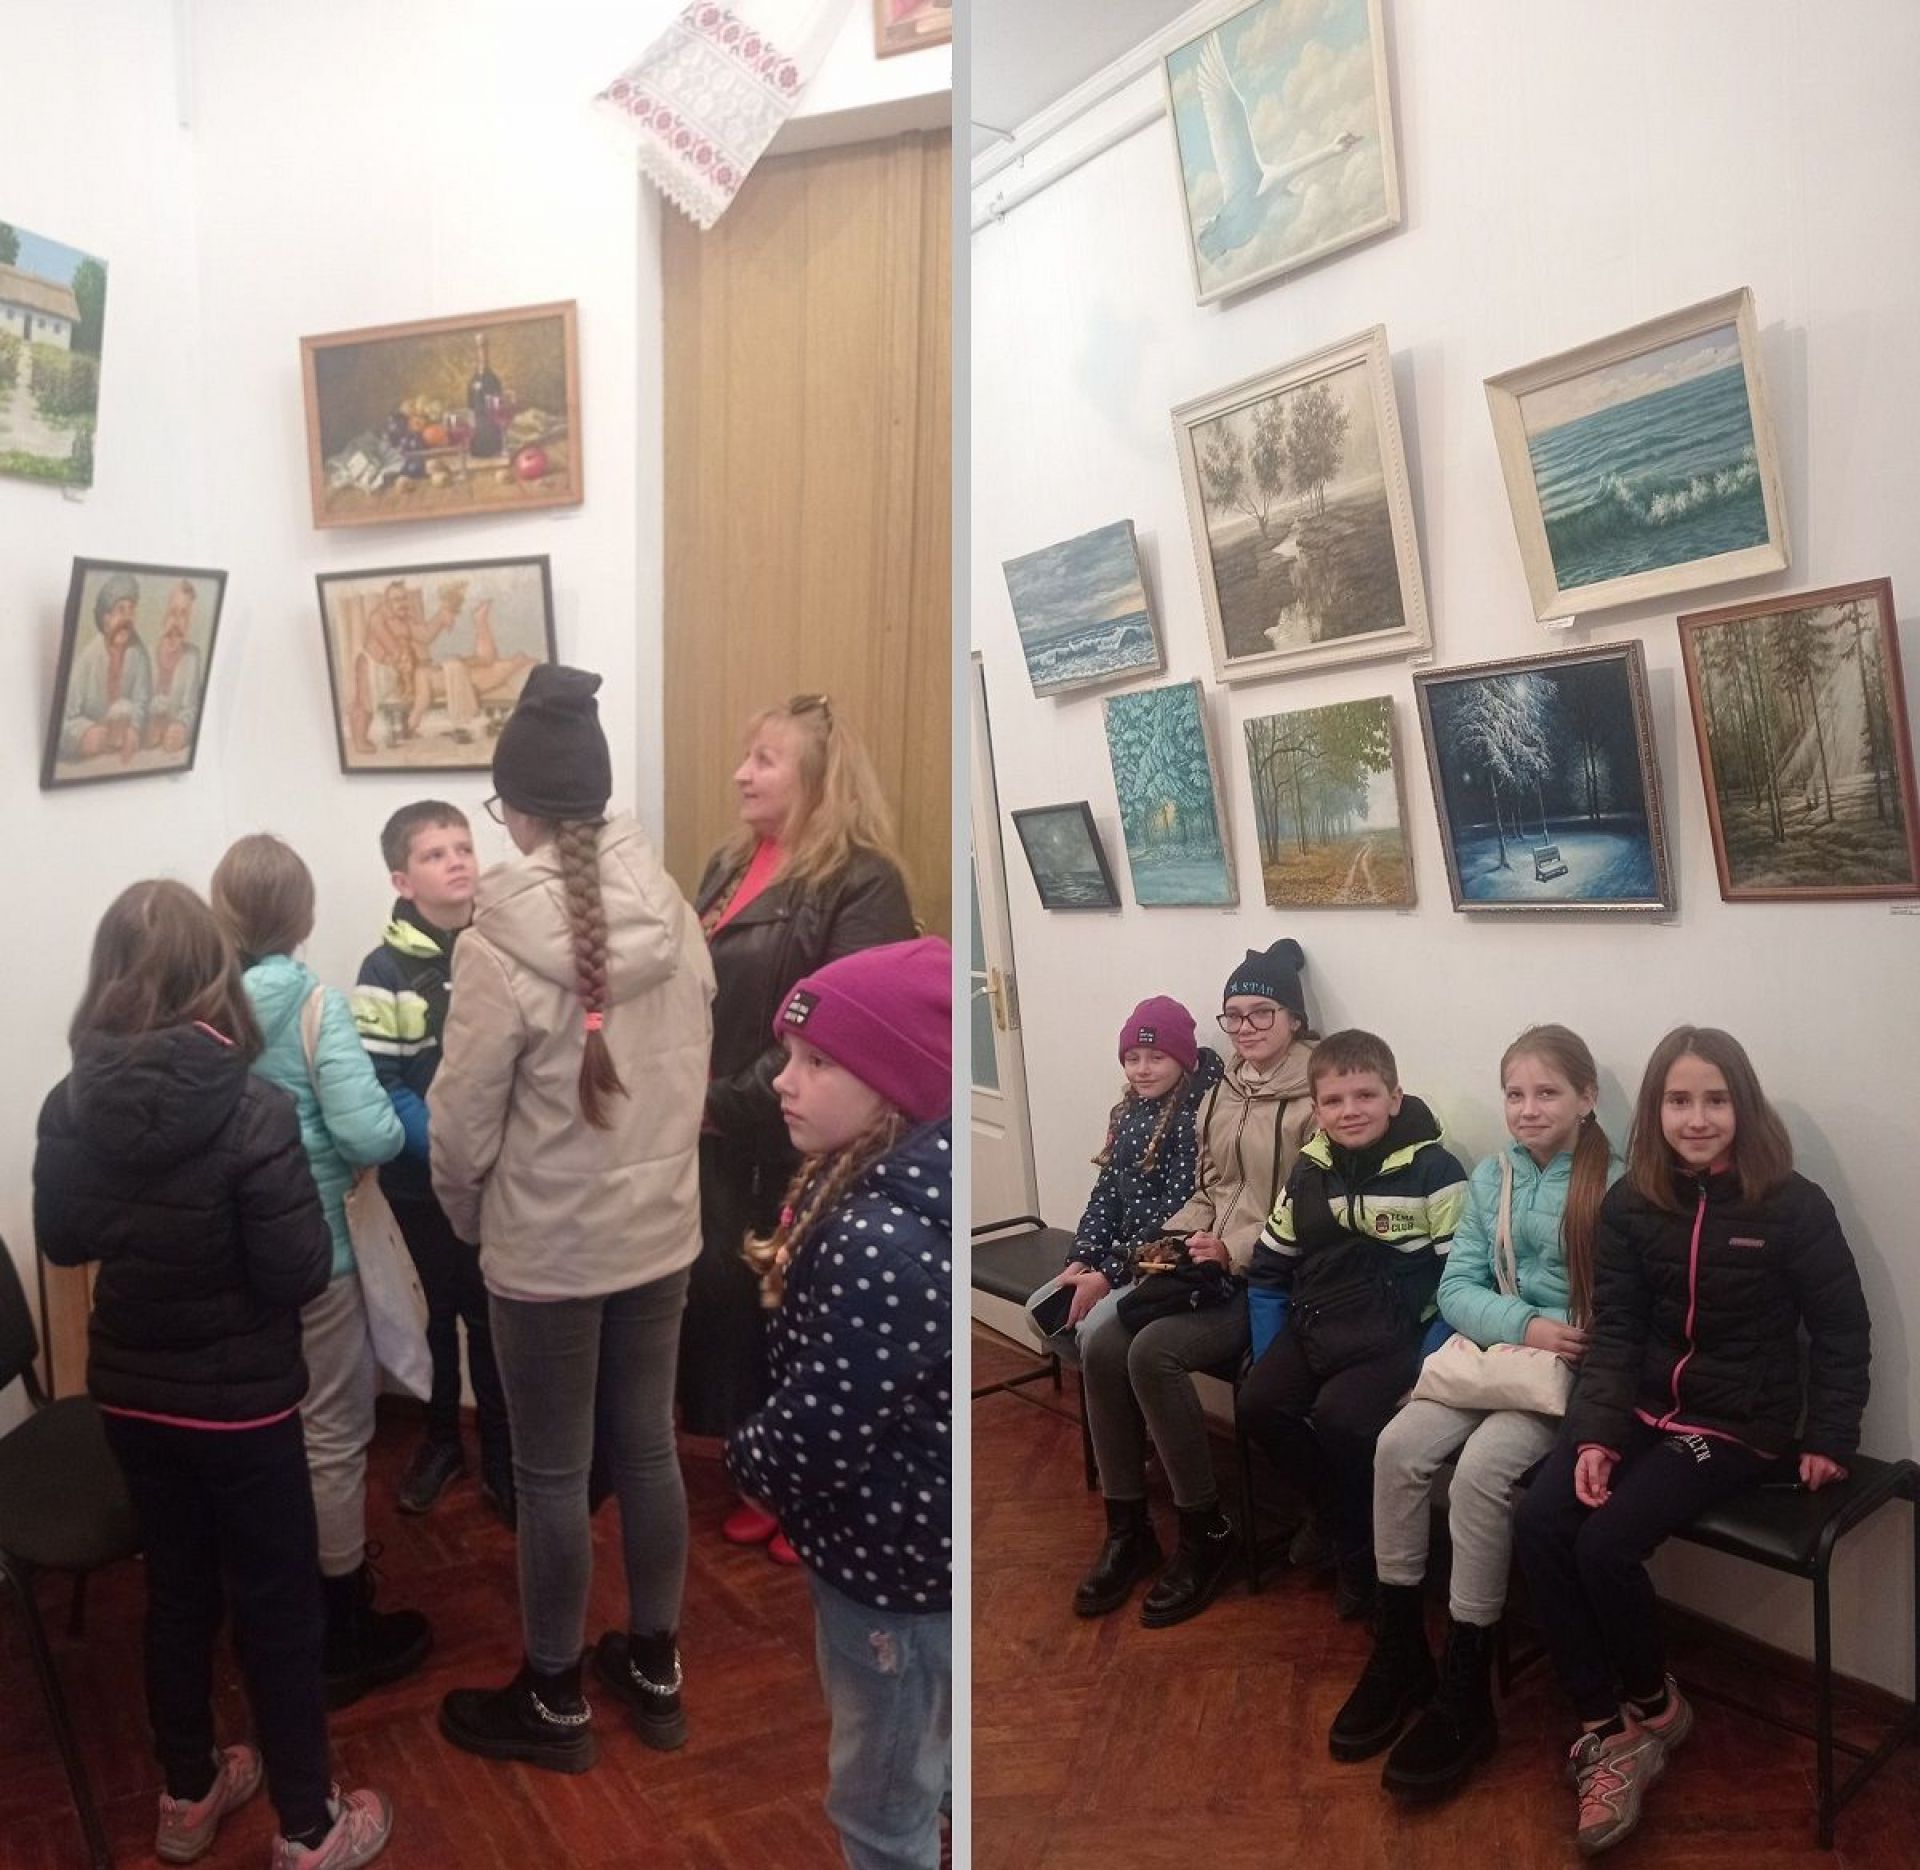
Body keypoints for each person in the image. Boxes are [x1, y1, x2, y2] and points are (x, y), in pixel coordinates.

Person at [33, 880, 393, 1870]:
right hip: (243, 1410)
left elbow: (63, 1238)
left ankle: (187, 1791)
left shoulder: (69, 1101)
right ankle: (310, 1827)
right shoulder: (251, 1106)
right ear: (214, 974)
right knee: (277, 1605)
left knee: (178, 1590)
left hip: (132, 1397)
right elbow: (296, 1271)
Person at [431, 664, 715, 1771]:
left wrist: (475, 1224)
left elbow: (461, 1135)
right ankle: (657, 1666)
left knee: (551, 1475)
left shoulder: (494, 946)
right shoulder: (674, 910)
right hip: (660, 1235)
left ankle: (553, 1700)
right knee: (647, 1447)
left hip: (548, 1251)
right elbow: (694, 1067)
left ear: (518, 810)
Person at [1513, 1027, 1870, 1856]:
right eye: (1679, 1100)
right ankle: (1609, 1729)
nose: (1697, 1118)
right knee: (1539, 1520)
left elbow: (1841, 1328)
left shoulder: (1794, 1205)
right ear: (1656, 1110)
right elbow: (1615, 1333)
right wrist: (1596, 1437)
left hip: (1738, 1424)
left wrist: (1831, 1434)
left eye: (1715, 1099)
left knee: (1604, 1546)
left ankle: (1656, 1704)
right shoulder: (1632, 1203)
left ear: (1743, 1106)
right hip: (1639, 1408)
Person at [1329, 1024, 1620, 1798]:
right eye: (1515, 1094)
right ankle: (1401, 1649)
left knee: (1482, 1473)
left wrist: (1557, 1337)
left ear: (1586, 1098)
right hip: (1493, 1357)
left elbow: (1622, 1311)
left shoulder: (1614, 1186)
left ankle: (1466, 1684)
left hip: (1561, 1379)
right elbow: (1456, 1287)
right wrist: (1524, 1323)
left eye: (1547, 1092)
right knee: (1397, 1448)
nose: (1528, 1109)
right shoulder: (1493, 1176)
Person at [728, 937, 953, 1870]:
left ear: (896, 1085)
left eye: (819, 1062)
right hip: (901, 1546)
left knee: (879, 1796)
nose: (785, 1080)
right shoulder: (868, 1174)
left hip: (889, 1566)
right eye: (789, 1055)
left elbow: (824, 1426)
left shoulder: (879, 1242)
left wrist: (748, 1461)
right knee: (920, 1737)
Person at [690, 694, 915, 1563]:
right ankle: (767, 1479)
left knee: (810, 1321)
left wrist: (722, 1102)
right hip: (722, 1138)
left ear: (817, 777)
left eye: (765, 760)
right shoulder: (726, 864)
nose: (740, 775)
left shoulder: (862, 880)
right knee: (739, 1311)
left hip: (800, 1140)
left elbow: (841, 1030)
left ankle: (819, 1495)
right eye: (745, 758)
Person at [211, 834, 430, 1711]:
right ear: (302, 916)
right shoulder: (314, 1006)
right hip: (318, 1256)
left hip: (232, 1264)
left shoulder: (197, 1006)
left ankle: (269, 1603)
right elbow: (371, 1133)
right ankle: (339, 1623)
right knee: (333, 1435)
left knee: (266, 1432)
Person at [1076, 939, 1318, 1628]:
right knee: (1101, 1342)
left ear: (1294, 1018)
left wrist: (1231, 1250)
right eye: (1233, 1015)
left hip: (1273, 1280)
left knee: (1153, 1352)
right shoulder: (1224, 1091)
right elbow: (1211, 1189)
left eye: (1261, 1013)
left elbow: (1310, 1209)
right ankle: (1128, 1527)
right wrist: (1177, 1238)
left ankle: (1207, 1530)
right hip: (1208, 1266)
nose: (1245, 1028)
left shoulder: (1317, 1096)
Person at [1238, 1029, 1467, 1621]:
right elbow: (1269, 1269)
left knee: (1341, 1417)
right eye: (1334, 1101)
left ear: (1394, 1097)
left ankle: (1361, 1554)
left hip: (1400, 1332)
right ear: (1317, 1111)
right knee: (1260, 1402)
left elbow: (1461, 1281)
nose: (1350, 1111)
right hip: (1323, 1317)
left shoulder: (1435, 1171)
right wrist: (1270, 1352)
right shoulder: (1309, 1171)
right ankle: (1336, 1518)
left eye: (1365, 1095)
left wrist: (1428, 1365)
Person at [351, 801, 514, 1523]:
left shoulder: (505, 947)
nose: (456, 862)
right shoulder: (382, 970)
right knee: (435, 1317)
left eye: (463, 847)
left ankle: (503, 1455)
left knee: (492, 1318)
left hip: (497, 1182)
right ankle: (443, 1438)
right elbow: (382, 1085)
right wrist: (450, 1150)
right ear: (402, 880)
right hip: (422, 1185)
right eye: (434, 854)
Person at [60, 569, 152, 763]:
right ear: (106, 618)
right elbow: (63, 720)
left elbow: (142, 702)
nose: (127, 618)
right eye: (120, 610)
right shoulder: (87, 659)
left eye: (131, 610)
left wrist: (135, 728)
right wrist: (84, 735)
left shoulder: (139, 654)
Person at [146, 579, 205, 753]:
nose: (177, 623)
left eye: (184, 615)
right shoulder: (145, 656)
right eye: (173, 612)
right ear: (162, 616)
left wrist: (182, 727)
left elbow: (192, 708)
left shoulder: (192, 658)